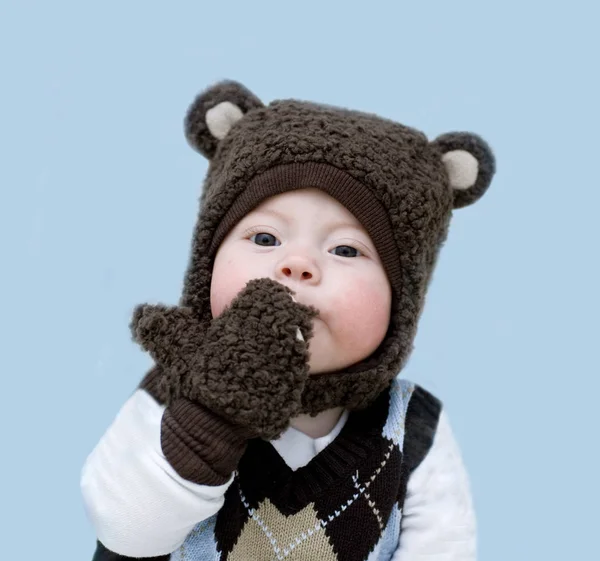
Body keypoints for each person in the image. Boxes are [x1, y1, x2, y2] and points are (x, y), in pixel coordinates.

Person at [80, 80, 496, 561]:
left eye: (345, 249)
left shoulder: (413, 428)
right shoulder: (174, 390)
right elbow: (125, 532)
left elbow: (442, 548)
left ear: (403, 303)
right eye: (264, 239)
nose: (296, 264)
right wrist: (212, 415)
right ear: (206, 266)